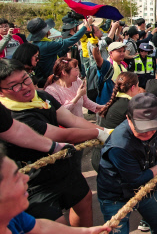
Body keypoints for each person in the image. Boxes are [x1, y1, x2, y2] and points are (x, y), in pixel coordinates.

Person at [0, 59, 110, 226]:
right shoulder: (12, 115)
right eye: (14, 85)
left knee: (83, 199)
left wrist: (105, 132)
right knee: (55, 223)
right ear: (1, 92)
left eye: (25, 79)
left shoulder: (43, 96)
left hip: (62, 164)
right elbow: (61, 135)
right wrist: (97, 133)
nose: (24, 86)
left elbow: (71, 119)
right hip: (35, 179)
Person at [97, 93, 157, 234]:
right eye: (142, 130)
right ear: (128, 119)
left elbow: (155, 139)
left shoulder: (151, 129)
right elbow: (135, 180)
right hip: (116, 195)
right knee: (118, 230)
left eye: (152, 127)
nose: (148, 133)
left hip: (147, 188)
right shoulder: (120, 146)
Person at [0, 146, 111, 234]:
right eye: (15, 177)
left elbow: (40, 227)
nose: (26, 177)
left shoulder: (14, 217)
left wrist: (85, 231)